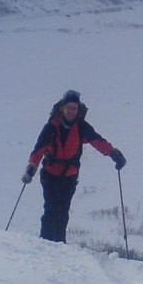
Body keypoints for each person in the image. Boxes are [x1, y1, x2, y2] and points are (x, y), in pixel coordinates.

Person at [22, 90, 126, 243]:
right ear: (63, 108)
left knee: (63, 211)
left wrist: (113, 153)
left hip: (69, 176)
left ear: (78, 110)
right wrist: (31, 167)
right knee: (51, 209)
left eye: (74, 108)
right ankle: (45, 243)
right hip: (50, 174)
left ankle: (59, 244)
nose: (71, 111)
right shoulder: (51, 127)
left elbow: (98, 142)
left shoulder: (82, 127)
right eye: (69, 108)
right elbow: (39, 149)